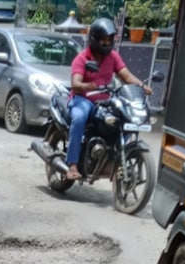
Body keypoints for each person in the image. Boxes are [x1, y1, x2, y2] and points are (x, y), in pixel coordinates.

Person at [65, 17, 153, 180]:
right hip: (82, 99)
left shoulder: (113, 57)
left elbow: (126, 76)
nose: (106, 43)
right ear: (94, 39)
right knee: (79, 118)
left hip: (104, 101)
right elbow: (75, 83)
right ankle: (72, 164)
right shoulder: (82, 58)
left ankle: (112, 159)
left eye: (108, 40)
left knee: (124, 119)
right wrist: (87, 86)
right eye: (103, 40)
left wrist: (142, 86)